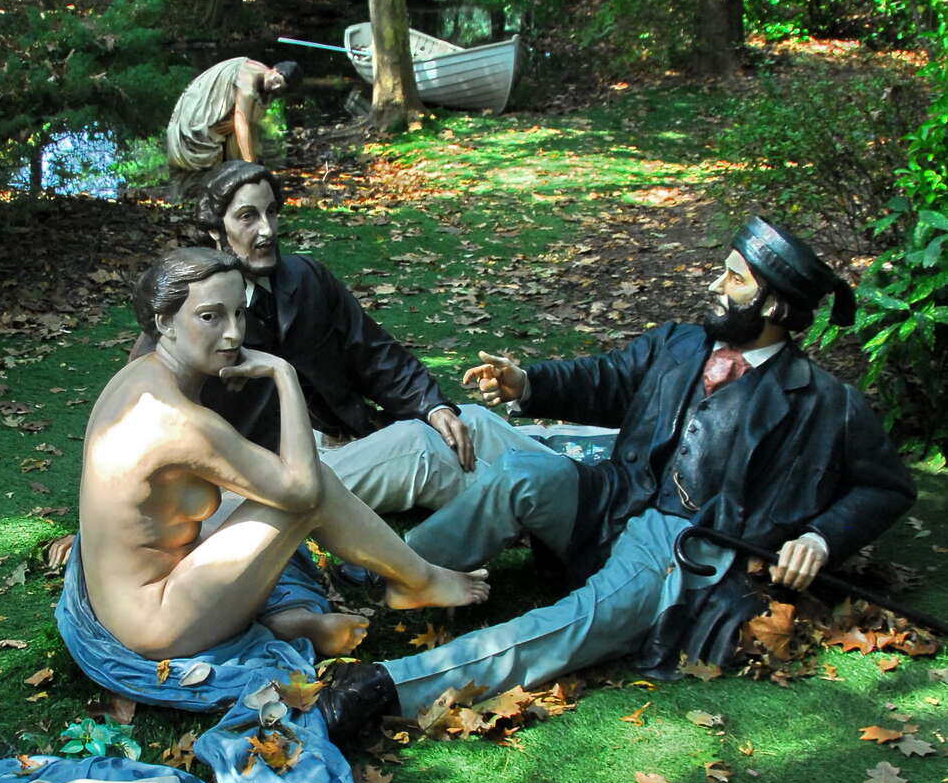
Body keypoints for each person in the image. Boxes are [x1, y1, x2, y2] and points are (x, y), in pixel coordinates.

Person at [315, 216, 917, 733]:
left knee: (569, 623)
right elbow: (607, 379)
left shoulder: (826, 403)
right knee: (523, 472)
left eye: (734, 279)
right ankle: (392, 572)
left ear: (775, 307)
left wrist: (819, 539)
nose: (715, 284)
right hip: (615, 502)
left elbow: (886, 486)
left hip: (687, 552)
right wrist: (528, 383)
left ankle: (391, 686)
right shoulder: (680, 344)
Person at [75, 246, 488, 677]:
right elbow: (304, 489)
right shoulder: (179, 422)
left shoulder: (139, 376)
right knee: (312, 490)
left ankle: (291, 620)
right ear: (164, 322)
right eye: (210, 317)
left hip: (133, 595)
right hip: (156, 622)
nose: (233, 334)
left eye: (239, 313)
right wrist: (283, 375)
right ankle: (417, 580)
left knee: (271, 495)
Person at [186, 160, 517, 520]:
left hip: (353, 437)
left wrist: (432, 406)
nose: (267, 230)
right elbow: (157, 395)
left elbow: (373, 354)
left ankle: (561, 476)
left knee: (473, 421)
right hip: (283, 473)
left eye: (272, 212)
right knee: (418, 445)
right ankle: (528, 507)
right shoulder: (195, 311)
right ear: (216, 230)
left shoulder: (306, 277)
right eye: (248, 217)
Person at [165, 58, 300, 182]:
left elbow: (249, 118)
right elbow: (242, 121)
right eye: (277, 81)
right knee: (237, 134)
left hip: (222, 120)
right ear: (274, 69)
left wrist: (237, 123)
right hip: (198, 116)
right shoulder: (249, 77)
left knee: (243, 131)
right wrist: (251, 167)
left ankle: (236, 168)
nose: (275, 87)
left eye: (280, 89)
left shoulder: (265, 85)